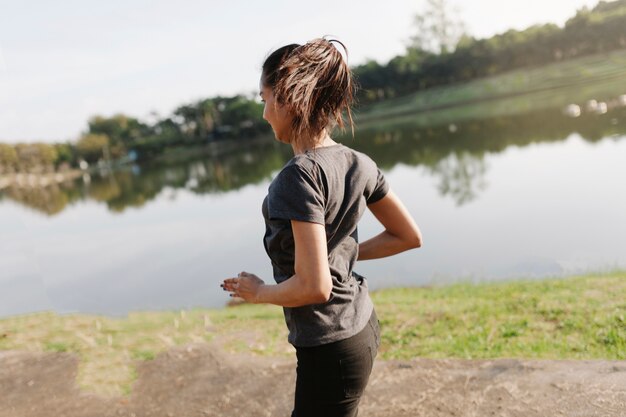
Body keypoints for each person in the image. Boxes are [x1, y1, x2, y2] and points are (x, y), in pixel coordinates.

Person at [221, 37, 421, 417]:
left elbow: (314, 286)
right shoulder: (358, 162)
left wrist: (259, 291)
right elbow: (408, 236)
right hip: (361, 326)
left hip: (330, 346)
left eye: (264, 99)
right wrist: (339, 252)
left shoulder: (297, 177)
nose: (264, 114)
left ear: (288, 99)